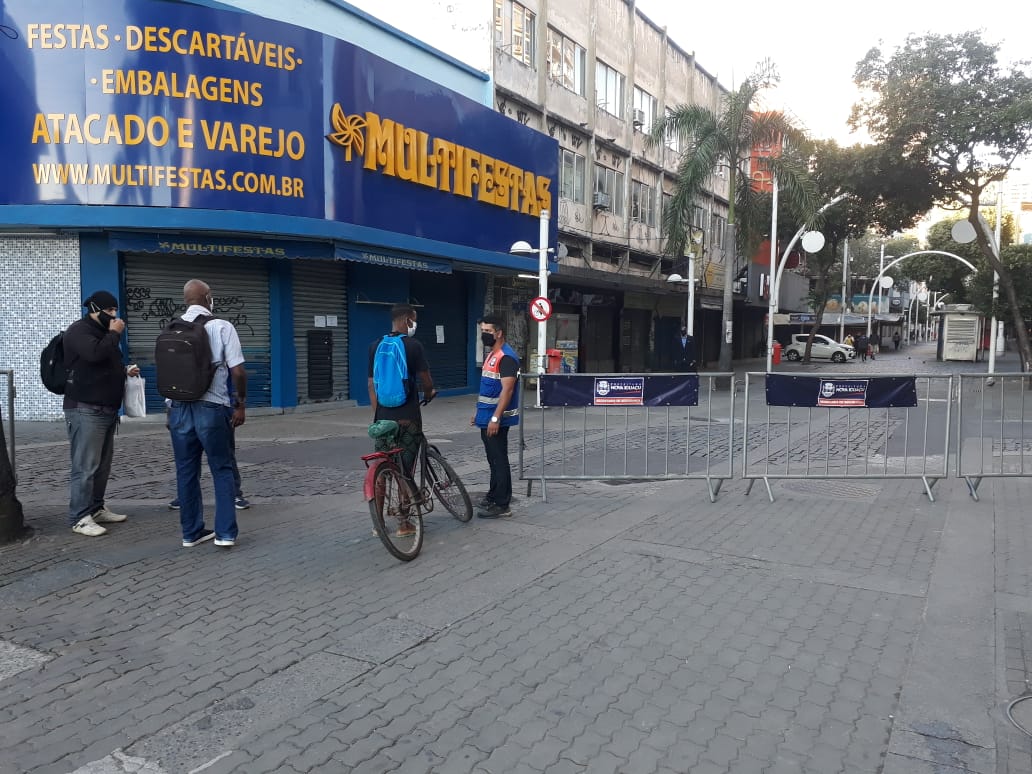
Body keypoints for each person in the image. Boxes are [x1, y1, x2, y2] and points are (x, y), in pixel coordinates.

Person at [168, 280, 247, 548]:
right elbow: (238, 371)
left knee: (186, 471)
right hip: (212, 407)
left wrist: (170, 410)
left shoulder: (172, 328)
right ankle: (225, 534)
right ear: (208, 297)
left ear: (186, 299)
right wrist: (240, 403)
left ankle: (191, 533)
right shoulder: (222, 326)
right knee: (222, 468)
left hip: (178, 408)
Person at [63, 290, 140, 537]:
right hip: (85, 409)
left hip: (107, 409)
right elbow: (94, 355)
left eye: (115, 310)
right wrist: (114, 333)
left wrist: (124, 370)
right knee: (85, 466)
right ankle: (79, 517)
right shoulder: (79, 331)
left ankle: (95, 508)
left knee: (101, 466)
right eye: (109, 310)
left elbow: (105, 362)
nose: (114, 315)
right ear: (94, 310)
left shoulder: (103, 333)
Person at [368, 304, 437, 536]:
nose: (415, 324)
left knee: (381, 468)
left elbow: (371, 384)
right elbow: (425, 379)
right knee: (405, 471)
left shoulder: (375, 346)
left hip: (383, 420)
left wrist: (379, 414)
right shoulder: (414, 346)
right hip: (408, 419)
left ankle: (378, 524)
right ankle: (404, 524)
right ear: (408, 319)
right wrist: (429, 392)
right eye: (414, 319)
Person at [168, 370, 249, 511]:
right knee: (214, 457)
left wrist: (238, 404)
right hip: (191, 404)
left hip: (214, 403)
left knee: (220, 456)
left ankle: (234, 494)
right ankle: (187, 496)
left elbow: (237, 373)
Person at [471, 316, 520, 519]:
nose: (484, 335)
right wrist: (479, 414)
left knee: (499, 460)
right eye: (482, 330)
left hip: (496, 420)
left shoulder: (506, 358)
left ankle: (502, 504)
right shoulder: (493, 354)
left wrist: (495, 418)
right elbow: (488, 390)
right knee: (493, 459)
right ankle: (493, 495)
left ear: (499, 333)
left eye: (488, 331)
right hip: (486, 416)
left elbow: (507, 391)